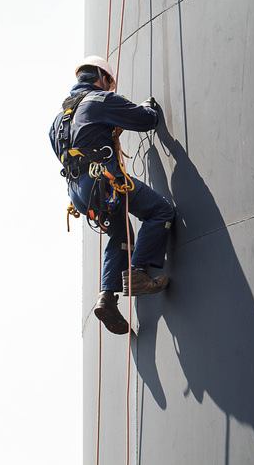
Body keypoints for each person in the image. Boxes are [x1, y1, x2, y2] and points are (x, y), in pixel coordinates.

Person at [49, 55, 174, 335]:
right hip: (104, 182)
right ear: (101, 77)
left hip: (80, 194)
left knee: (121, 235)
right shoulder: (99, 100)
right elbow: (145, 120)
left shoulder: (58, 120)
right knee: (160, 211)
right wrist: (148, 108)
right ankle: (138, 273)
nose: (111, 87)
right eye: (110, 82)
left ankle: (107, 296)